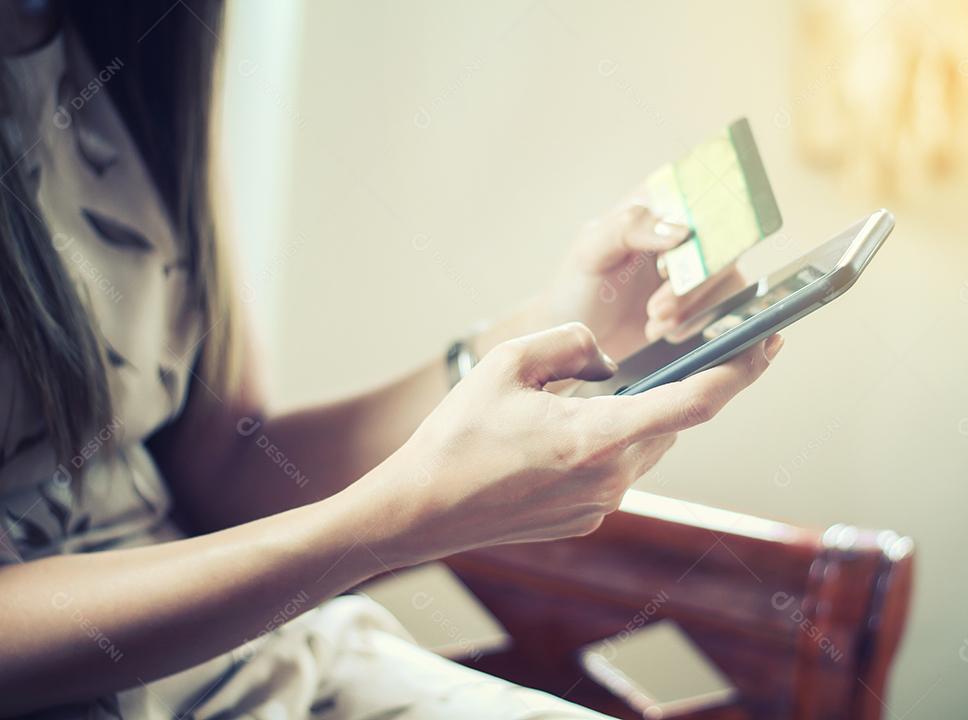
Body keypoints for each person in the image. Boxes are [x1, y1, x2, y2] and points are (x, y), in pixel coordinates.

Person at [0, 1, 783, 718]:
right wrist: (392, 523)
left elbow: (225, 472)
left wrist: (564, 324)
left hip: (253, 670)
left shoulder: (120, 40)